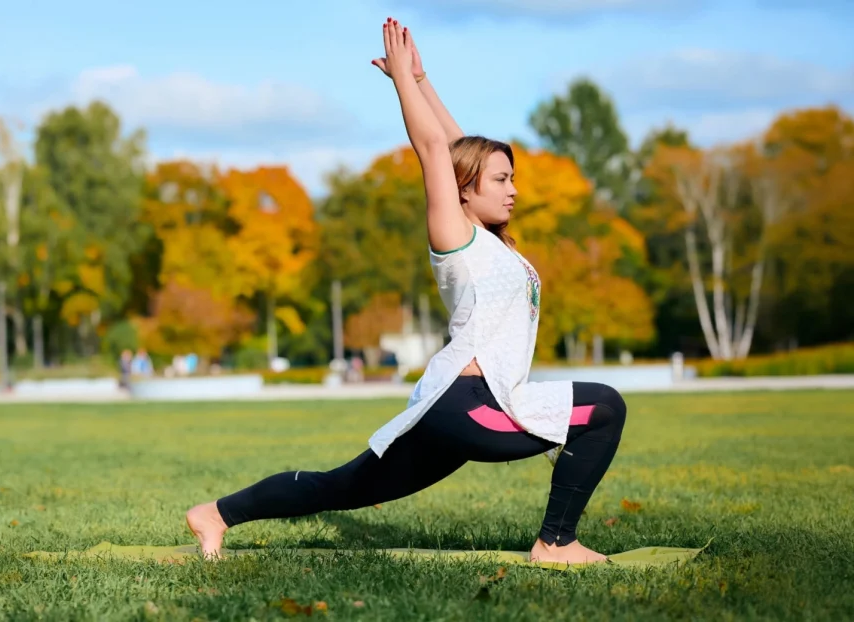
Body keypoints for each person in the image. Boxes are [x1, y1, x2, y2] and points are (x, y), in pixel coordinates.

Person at [186, 18, 627, 566]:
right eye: (501, 180)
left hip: (462, 405)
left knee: (340, 488)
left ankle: (215, 514)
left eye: (513, 178)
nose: (513, 190)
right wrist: (400, 83)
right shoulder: (455, 238)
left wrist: (422, 80)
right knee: (604, 408)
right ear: (464, 191)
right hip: (468, 405)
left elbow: (459, 150)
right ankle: (556, 543)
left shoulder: (491, 243)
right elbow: (435, 149)